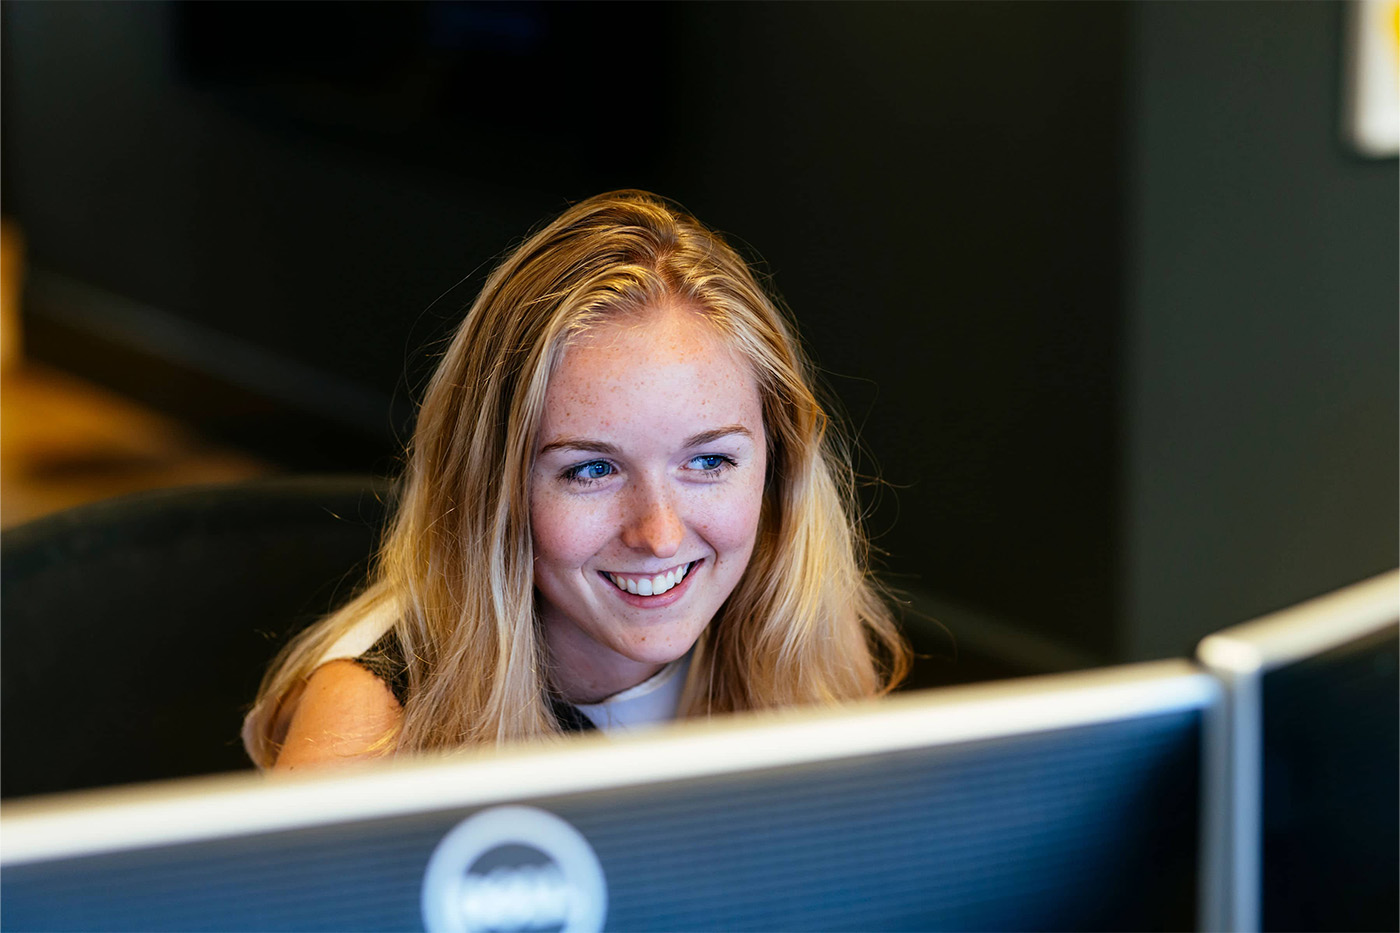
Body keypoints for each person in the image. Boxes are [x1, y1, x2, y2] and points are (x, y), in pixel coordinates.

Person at [243, 190, 910, 770]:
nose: (660, 533)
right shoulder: (371, 727)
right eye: (592, 469)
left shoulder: (797, 628)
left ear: (779, 464)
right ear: (491, 488)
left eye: (709, 462)